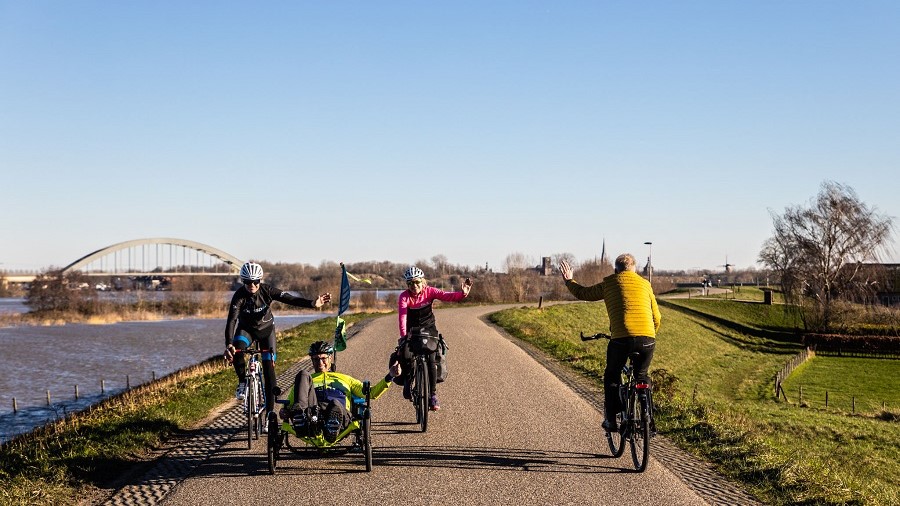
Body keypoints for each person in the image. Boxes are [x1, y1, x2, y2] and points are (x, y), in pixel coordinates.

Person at [559, 254, 661, 432]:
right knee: (642, 375)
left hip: (621, 339)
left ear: (616, 270)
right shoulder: (646, 284)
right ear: (635, 269)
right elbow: (657, 317)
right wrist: (649, 335)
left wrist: (569, 280)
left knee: (612, 376)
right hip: (647, 338)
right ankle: (648, 418)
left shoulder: (609, 283)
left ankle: (612, 420)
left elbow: (583, 293)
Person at [225, 262, 331, 427]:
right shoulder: (238, 296)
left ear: (260, 281)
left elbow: (289, 299)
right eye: (247, 282)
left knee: (269, 372)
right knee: (237, 349)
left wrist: (311, 303)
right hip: (246, 331)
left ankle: (269, 415)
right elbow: (231, 320)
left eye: (255, 282)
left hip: (266, 331)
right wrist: (228, 344)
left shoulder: (267, 291)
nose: (252, 285)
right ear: (243, 281)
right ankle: (242, 382)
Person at [281, 341, 402, 442]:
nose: (320, 363)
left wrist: (390, 376)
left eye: (323, 358)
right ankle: (301, 420)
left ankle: (332, 426)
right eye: (316, 359)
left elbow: (371, 393)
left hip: (340, 414)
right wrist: (284, 410)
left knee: (335, 404)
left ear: (330, 358)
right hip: (313, 414)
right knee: (302, 374)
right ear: (311, 361)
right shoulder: (308, 379)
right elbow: (293, 400)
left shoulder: (345, 378)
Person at [394, 265, 472, 411]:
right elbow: (402, 317)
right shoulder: (404, 297)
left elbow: (447, 296)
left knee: (431, 359)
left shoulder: (430, 292)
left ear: (423, 281)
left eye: (417, 282)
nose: (414, 286)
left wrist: (462, 294)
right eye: (410, 283)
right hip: (412, 331)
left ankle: (432, 395)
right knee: (407, 356)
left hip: (429, 330)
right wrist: (404, 337)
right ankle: (408, 381)